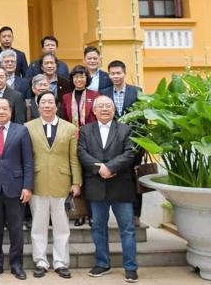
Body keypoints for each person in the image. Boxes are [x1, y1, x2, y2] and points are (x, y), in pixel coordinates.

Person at [78, 96, 138, 283]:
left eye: (108, 106)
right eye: (100, 106)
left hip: (120, 185)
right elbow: (81, 152)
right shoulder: (86, 130)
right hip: (96, 186)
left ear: (114, 110)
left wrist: (110, 167)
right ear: (94, 111)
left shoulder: (125, 129)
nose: (104, 109)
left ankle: (130, 267)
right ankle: (102, 263)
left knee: (127, 229)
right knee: (98, 227)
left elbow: (130, 153)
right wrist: (99, 169)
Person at [25, 91, 81, 279]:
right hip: (38, 181)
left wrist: (76, 181)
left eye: (50, 102)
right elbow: (26, 158)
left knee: (62, 226)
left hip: (62, 182)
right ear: (38, 106)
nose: (47, 105)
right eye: (43, 103)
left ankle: (60, 262)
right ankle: (40, 261)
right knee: (38, 226)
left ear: (56, 106)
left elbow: (74, 157)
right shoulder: (28, 127)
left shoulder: (69, 128)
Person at [0, 97, 33, 280]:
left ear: (11, 111)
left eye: (5, 109)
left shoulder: (21, 131)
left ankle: (16, 265)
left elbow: (28, 161)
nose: (1, 112)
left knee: (16, 229)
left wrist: (27, 186)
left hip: (16, 188)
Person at [98, 61, 143, 225]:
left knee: (133, 178)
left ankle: (136, 213)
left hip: (132, 144)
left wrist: (140, 146)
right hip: (110, 144)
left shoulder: (137, 92)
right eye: (112, 73)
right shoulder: (104, 93)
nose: (115, 76)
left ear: (124, 73)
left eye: (118, 73)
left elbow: (142, 120)